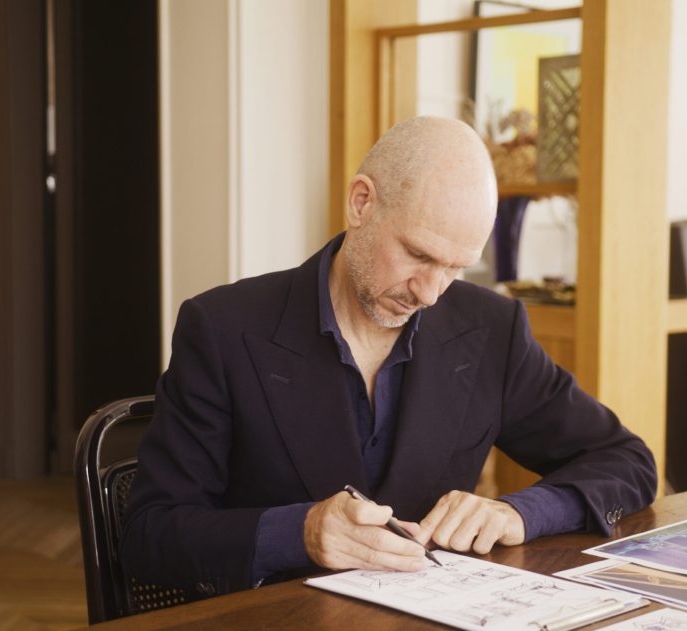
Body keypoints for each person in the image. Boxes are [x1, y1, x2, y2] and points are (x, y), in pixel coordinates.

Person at [121, 116, 657, 599]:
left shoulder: (492, 329)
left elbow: (627, 461)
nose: (429, 292)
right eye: (419, 255)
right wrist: (302, 532)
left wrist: (521, 511)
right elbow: (152, 532)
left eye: (455, 268)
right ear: (361, 203)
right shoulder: (222, 329)